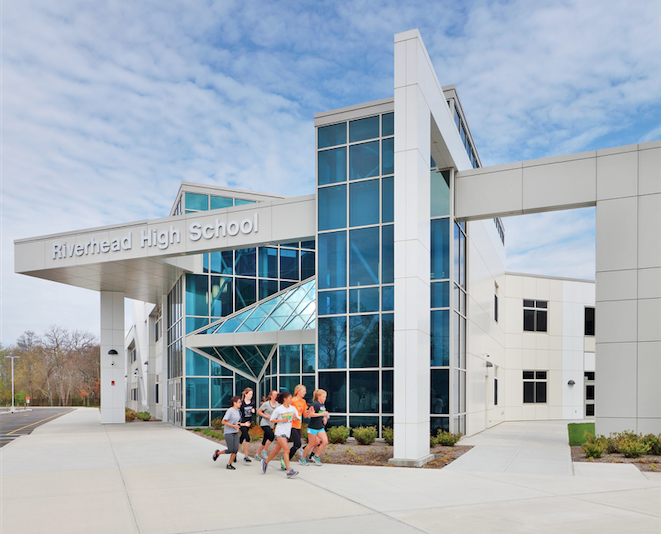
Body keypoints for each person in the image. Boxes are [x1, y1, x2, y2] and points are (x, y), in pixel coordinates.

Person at [261, 391, 299, 479]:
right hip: (279, 432)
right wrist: (281, 420)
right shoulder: (279, 409)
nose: (291, 399)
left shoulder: (292, 409)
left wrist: (295, 418)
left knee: (276, 450)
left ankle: (265, 462)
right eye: (290, 398)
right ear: (285, 399)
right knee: (287, 450)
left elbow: (297, 420)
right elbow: (271, 420)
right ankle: (289, 471)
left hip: (287, 433)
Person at [213, 396, 242, 470]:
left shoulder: (237, 411)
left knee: (235, 449)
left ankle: (229, 464)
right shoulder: (230, 411)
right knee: (230, 449)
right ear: (234, 403)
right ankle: (218, 453)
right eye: (239, 402)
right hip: (228, 432)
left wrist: (243, 424)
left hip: (235, 432)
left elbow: (236, 422)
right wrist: (233, 426)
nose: (240, 403)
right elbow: (223, 421)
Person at [302, 389, 329, 465]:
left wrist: (324, 417)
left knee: (325, 441)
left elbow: (322, 413)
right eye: (323, 397)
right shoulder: (315, 404)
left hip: (320, 427)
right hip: (312, 427)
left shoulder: (322, 404)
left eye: (325, 397)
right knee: (311, 444)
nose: (325, 398)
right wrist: (321, 414)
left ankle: (316, 456)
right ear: (318, 397)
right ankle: (302, 458)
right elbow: (310, 415)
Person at [288, 384, 310, 467]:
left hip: (298, 426)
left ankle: (285, 460)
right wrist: (294, 416)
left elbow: (305, 415)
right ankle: (285, 459)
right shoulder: (292, 401)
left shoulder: (303, 401)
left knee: (296, 445)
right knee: (298, 443)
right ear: (298, 391)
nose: (305, 392)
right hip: (291, 425)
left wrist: (310, 411)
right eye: (303, 391)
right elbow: (288, 412)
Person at [255, 390, 278, 460]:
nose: (276, 396)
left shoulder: (278, 404)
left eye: (277, 394)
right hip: (264, 423)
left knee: (265, 440)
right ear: (271, 396)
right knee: (271, 436)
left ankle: (257, 454)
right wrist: (266, 416)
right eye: (275, 394)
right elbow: (259, 411)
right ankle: (264, 451)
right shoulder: (266, 404)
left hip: (271, 424)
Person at [238, 387, 255, 463]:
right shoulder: (241, 403)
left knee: (241, 438)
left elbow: (253, 413)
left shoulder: (252, 402)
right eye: (250, 394)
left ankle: (234, 453)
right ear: (245, 394)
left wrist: (253, 411)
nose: (251, 395)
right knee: (247, 438)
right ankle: (246, 456)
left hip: (249, 422)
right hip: (242, 423)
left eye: (252, 394)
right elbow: (239, 413)